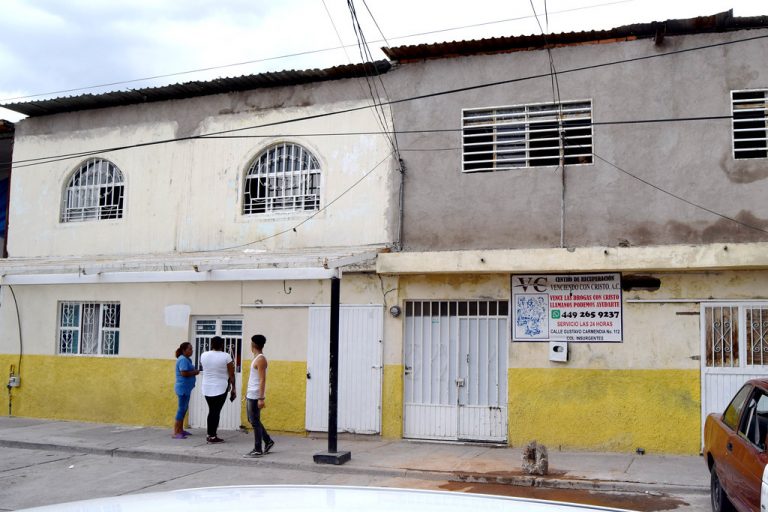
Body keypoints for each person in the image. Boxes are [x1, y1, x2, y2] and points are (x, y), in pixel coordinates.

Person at [200, 335, 236, 443]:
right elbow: (231, 374)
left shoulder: (204, 355)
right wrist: (234, 388)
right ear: (222, 345)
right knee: (215, 412)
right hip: (221, 387)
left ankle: (210, 434)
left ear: (211, 344)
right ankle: (212, 436)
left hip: (206, 387)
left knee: (212, 411)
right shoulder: (226, 356)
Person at [243, 334, 274, 457]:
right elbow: (254, 378)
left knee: (254, 421)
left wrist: (261, 398)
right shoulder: (256, 358)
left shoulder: (261, 359)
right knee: (253, 420)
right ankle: (268, 440)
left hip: (256, 395)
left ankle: (258, 449)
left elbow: (262, 380)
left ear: (253, 345)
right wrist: (247, 393)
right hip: (252, 393)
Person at [173, 342, 199, 439]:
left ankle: (181, 429)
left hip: (186, 388)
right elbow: (184, 373)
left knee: (184, 409)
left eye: (192, 349)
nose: (192, 351)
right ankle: (176, 432)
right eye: (190, 349)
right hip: (182, 388)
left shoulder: (187, 359)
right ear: (184, 350)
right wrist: (195, 372)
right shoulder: (183, 360)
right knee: (181, 409)